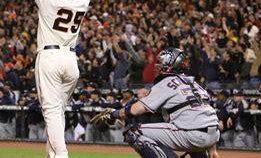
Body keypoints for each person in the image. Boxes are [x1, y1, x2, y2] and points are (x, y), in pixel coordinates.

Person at [20, 0, 90, 158]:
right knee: (57, 111)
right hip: (71, 61)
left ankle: (61, 155)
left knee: (51, 111)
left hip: (50, 58)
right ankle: (53, 155)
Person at [91, 48, 220, 158]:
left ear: (170, 66)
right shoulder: (195, 84)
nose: (157, 66)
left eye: (160, 63)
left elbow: (136, 110)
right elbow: (205, 114)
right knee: (193, 141)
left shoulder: (167, 82)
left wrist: (114, 114)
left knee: (133, 132)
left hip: (191, 133)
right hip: (212, 135)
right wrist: (212, 149)